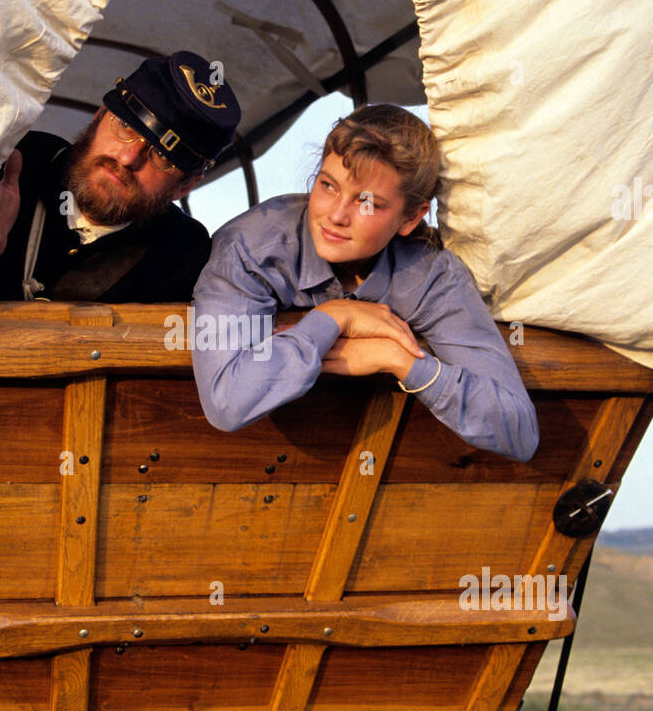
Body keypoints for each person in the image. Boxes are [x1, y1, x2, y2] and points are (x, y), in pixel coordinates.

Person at [191, 104, 539, 461]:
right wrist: (334, 318)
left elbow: (519, 431)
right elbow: (228, 402)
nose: (336, 215)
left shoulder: (432, 277)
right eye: (328, 186)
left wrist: (401, 361)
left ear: (411, 217)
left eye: (367, 203)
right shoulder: (252, 247)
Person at [0, 51, 241, 303]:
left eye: (161, 156)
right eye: (125, 126)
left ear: (184, 187)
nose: (127, 158)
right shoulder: (14, 164)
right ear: (99, 116)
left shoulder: (181, 257)